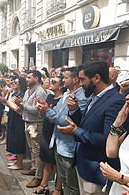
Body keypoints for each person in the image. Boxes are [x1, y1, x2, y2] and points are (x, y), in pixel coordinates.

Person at [58, 60, 126, 195]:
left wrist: (75, 131)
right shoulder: (95, 96)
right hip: (84, 165)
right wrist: (74, 111)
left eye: (83, 79)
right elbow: (88, 124)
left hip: (97, 171)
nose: (80, 83)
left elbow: (108, 139)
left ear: (96, 78)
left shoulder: (116, 101)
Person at [38, 67, 88, 195]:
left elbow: (66, 120)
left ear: (75, 80)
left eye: (65, 78)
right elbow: (56, 113)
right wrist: (47, 110)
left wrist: (47, 111)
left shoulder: (81, 96)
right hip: (59, 144)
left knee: (71, 185)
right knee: (64, 181)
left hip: (68, 146)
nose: (63, 80)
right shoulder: (66, 94)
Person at [34, 77, 65, 195]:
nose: (50, 83)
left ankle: (58, 188)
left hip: (56, 132)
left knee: (57, 162)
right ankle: (44, 184)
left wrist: (48, 112)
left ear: (61, 85)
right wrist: (40, 108)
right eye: (50, 81)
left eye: (54, 82)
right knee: (47, 159)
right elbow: (43, 115)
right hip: (46, 130)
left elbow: (56, 119)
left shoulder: (63, 99)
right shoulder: (50, 97)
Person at [20, 70, 47, 188]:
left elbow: (36, 110)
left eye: (29, 77)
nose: (26, 79)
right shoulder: (27, 90)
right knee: (32, 149)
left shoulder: (40, 92)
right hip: (28, 122)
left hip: (36, 124)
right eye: (26, 77)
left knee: (37, 151)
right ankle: (33, 168)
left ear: (36, 79)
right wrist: (23, 104)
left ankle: (38, 176)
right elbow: (27, 104)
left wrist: (22, 105)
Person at [0, 76, 28, 170]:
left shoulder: (22, 94)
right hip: (12, 118)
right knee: (13, 139)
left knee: (19, 140)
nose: (13, 84)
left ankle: (20, 163)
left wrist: (6, 102)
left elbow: (18, 109)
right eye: (12, 82)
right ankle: (17, 161)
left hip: (18, 120)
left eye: (15, 82)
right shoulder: (14, 94)